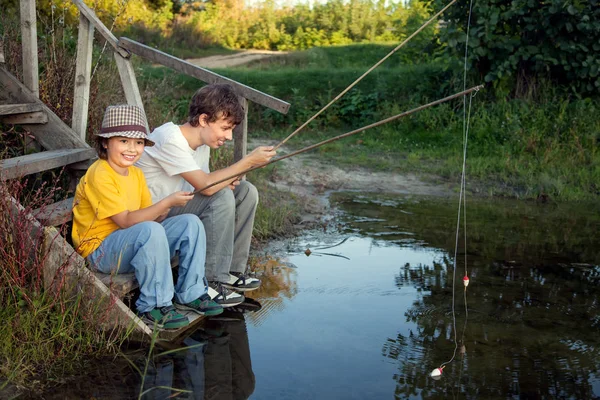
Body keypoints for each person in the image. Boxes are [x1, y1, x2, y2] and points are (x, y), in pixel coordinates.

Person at [71, 104, 223, 330]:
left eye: (139, 142)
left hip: (128, 240)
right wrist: (166, 202)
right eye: (123, 141)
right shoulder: (100, 173)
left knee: (189, 223)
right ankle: (153, 306)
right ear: (105, 142)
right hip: (101, 249)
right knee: (149, 231)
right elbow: (125, 221)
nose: (132, 149)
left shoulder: (135, 173)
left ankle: (191, 292)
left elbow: (148, 220)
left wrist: (163, 212)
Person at [136, 84, 276, 308]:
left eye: (231, 129)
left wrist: (227, 181)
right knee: (219, 195)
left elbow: (204, 185)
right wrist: (248, 162)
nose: (229, 136)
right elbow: (207, 187)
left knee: (246, 192)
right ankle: (210, 281)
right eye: (225, 128)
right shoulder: (169, 137)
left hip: (179, 206)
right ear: (203, 120)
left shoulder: (202, 144)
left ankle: (230, 271)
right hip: (152, 217)